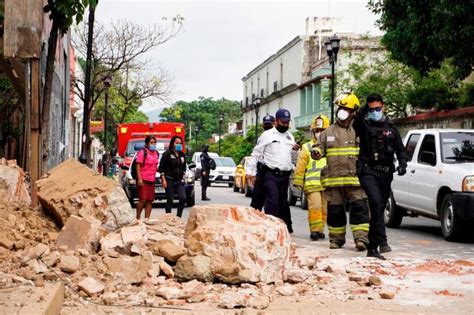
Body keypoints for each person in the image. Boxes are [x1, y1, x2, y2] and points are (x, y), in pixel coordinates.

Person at [311, 93, 370, 251]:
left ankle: (361, 239)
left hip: (355, 180)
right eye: (340, 108)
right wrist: (316, 151)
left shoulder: (360, 131)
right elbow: (318, 147)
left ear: (354, 112)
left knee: (360, 210)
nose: (341, 111)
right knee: (335, 212)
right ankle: (336, 240)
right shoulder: (328, 132)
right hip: (334, 180)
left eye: (345, 108)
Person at [353, 93, 408, 260]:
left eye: (377, 108)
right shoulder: (364, 126)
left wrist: (403, 164)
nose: (375, 111)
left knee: (380, 207)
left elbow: (400, 149)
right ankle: (373, 246)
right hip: (368, 171)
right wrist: (364, 108)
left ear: (383, 107)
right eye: (372, 109)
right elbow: (356, 122)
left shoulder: (391, 128)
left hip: (386, 173)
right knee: (376, 203)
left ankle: (378, 244)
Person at [247, 108, 300, 233]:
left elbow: (292, 157)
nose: (285, 125)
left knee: (283, 203)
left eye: (287, 123)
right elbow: (256, 154)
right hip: (270, 174)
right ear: (276, 121)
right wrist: (250, 172)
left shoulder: (289, 136)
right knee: (272, 200)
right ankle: (271, 229)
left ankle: (284, 229)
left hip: (284, 176)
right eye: (283, 122)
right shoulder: (267, 135)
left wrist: (295, 151)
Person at [293, 114, 329, 240]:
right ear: (313, 131)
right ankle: (314, 230)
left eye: (322, 130)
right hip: (312, 184)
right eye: (317, 130)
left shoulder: (330, 146)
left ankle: (320, 230)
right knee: (316, 207)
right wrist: (298, 181)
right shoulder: (307, 147)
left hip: (326, 184)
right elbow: (301, 165)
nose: (319, 133)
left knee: (324, 209)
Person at [250, 114, 275, 211]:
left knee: (272, 203)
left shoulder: (281, 136)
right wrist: (252, 172)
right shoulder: (262, 137)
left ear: (274, 124)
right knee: (256, 203)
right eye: (266, 125)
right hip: (262, 171)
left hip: (274, 173)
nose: (267, 127)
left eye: (269, 124)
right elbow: (256, 155)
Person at [159, 136, 187, 217]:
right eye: (176, 143)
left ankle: (178, 217)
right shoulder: (167, 153)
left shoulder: (182, 155)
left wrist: (183, 176)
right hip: (169, 179)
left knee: (183, 198)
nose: (178, 145)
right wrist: (163, 180)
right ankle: (168, 218)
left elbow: (184, 167)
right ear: (172, 143)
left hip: (179, 180)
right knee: (170, 200)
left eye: (180, 143)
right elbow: (161, 168)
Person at [135, 135, 159, 221]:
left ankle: (147, 219)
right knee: (142, 200)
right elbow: (138, 166)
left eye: (154, 142)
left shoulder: (156, 153)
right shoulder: (142, 152)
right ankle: (138, 219)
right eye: (151, 142)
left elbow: (155, 166)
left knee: (150, 200)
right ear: (146, 143)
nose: (153, 144)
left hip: (151, 179)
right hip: (143, 179)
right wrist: (139, 179)